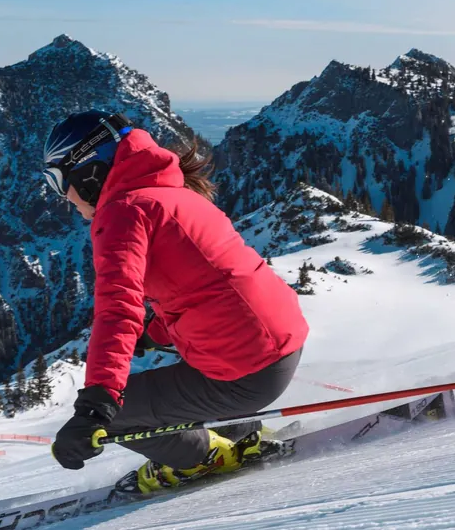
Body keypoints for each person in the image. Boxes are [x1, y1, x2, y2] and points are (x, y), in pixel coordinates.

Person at [44, 110, 308, 494]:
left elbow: (118, 309)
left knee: (118, 417)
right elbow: (206, 284)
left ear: (87, 171)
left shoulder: (123, 210)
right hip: (280, 345)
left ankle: (207, 457)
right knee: (176, 380)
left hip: (249, 368)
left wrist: (96, 405)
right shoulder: (170, 192)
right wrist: (154, 334)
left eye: (57, 180)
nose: (62, 196)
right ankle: (239, 431)